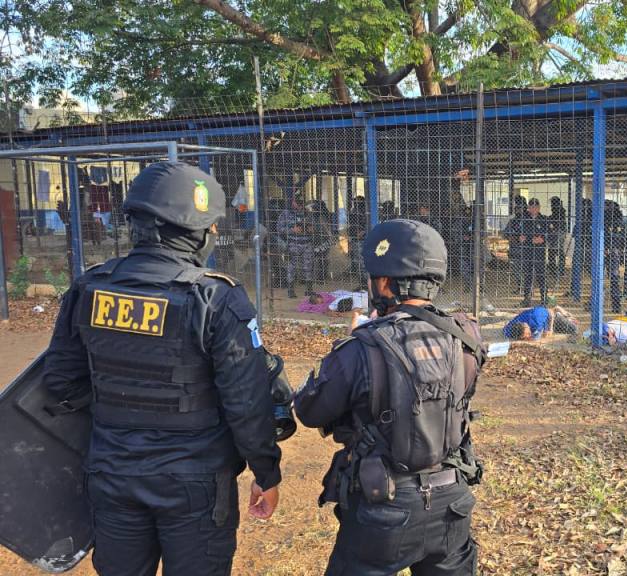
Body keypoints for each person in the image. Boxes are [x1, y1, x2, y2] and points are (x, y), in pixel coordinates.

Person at [42, 162, 283, 576]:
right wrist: (266, 470)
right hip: (194, 479)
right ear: (198, 232)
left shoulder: (89, 287)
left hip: (112, 472)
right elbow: (247, 402)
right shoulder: (216, 298)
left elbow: (61, 383)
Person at [295, 218, 485, 575]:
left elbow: (309, 410)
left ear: (383, 282)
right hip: (452, 503)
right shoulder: (467, 338)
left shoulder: (362, 346)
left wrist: (347, 344)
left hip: (384, 508)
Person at [277, 192, 315, 298]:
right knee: (292, 267)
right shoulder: (286, 213)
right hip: (293, 243)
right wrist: (292, 230)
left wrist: (311, 229)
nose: (300, 205)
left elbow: (314, 227)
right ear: (293, 202)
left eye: (302, 203)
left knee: (308, 266)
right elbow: (279, 229)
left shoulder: (308, 213)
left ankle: (309, 289)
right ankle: (290, 290)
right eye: (297, 203)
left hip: (307, 243)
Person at [605, 200, 626, 313]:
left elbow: (619, 238)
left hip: (613, 252)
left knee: (614, 278)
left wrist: (610, 247)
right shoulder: (603, 220)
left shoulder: (618, 222)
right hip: (604, 251)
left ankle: (616, 305)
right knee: (598, 278)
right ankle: (595, 303)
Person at [348, 196, 368, 278]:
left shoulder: (365, 211)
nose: (356, 203)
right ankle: (362, 282)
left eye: (358, 202)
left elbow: (368, 224)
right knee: (356, 261)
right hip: (354, 238)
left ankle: (365, 283)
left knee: (362, 262)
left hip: (362, 239)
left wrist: (363, 232)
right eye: (355, 201)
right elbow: (351, 225)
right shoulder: (353, 211)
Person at [549, 197, 568, 282]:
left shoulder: (558, 209)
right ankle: (557, 269)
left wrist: (548, 219)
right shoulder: (559, 209)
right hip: (559, 231)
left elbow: (555, 219)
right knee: (555, 250)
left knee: (555, 250)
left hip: (558, 231)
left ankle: (558, 270)